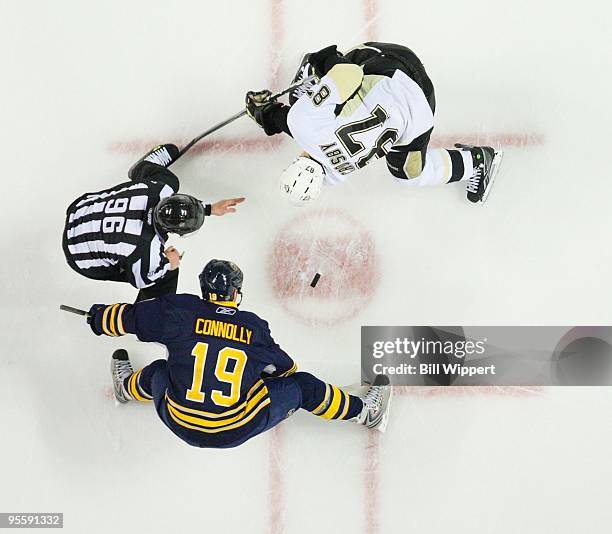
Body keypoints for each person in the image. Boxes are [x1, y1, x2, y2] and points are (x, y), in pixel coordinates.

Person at [84, 259, 392, 448]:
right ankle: (366, 413)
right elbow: (287, 370)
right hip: (232, 427)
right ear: (236, 292)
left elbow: (129, 317)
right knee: (303, 387)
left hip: (178, 419)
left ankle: (125, 390)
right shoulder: (253, 327)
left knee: (158, 372)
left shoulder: (178, 311)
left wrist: (99, 318)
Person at [245, 42, 503, 206]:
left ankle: (472, 163)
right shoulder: (302, 122)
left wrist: (270, 116)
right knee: (308, 99)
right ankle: (315, 74)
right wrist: (267, 113)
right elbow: (306, 128)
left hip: (422, 104)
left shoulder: (335, 176)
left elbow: (314, 138)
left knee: (411, 175)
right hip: (393, 63)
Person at [63, 144, 244, 301]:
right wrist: (168, 263)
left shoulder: (160, 187)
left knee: (146, 175)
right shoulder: (145, 248)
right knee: (164, 275)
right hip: (78, 255)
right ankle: (145, 319)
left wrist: (209, 208)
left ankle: (143, 167)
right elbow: (141, 280)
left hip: (78, 210)